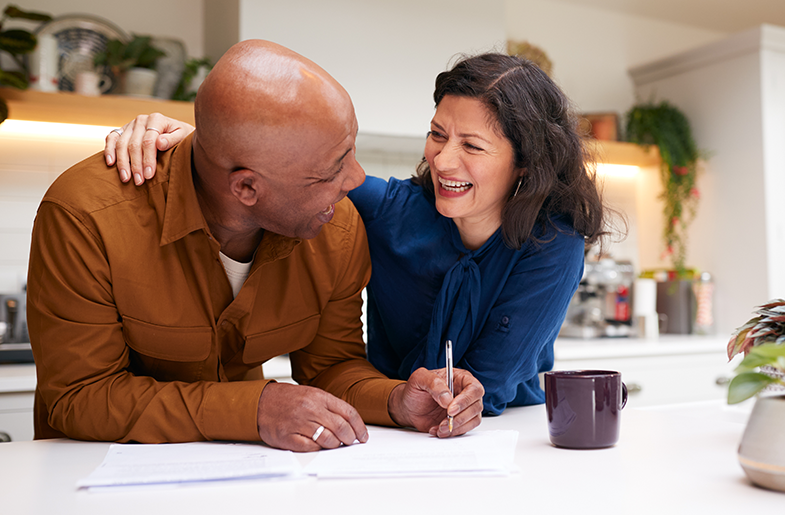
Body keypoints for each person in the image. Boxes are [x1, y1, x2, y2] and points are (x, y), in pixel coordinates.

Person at [27, 40, 484, 452]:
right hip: (88, 478)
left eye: (351, 150)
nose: (356, 180)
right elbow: (79, 397)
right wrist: (255, 409)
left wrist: (397, 399)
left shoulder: (336, 226)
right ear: (246, 188)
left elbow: (331, 367)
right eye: (330, 170)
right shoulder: (86, 217)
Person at [105, 52, 608, 416]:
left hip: (497, 434)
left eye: (471, 145)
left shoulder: (553, 245)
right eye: (437, 134)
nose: (443, 160)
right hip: (388, 420)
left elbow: (486, 387)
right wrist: (196, 142)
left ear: (526, 164)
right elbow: (286, 173)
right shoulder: (392, 211)